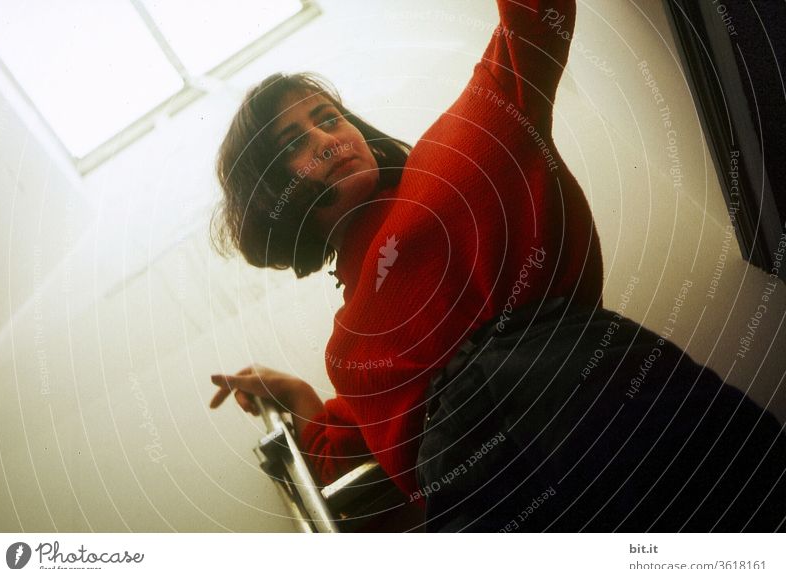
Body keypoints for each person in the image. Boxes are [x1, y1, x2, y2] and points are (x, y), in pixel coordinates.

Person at [208, 0, 786, 531]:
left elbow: (532, 21)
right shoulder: (348, 351)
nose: (326, 139)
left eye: (329, 117)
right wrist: (300, 398)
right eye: (291, 145)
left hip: (584, 393)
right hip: (483, 502)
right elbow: (363, 470)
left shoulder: (457, 145)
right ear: (269, 198)